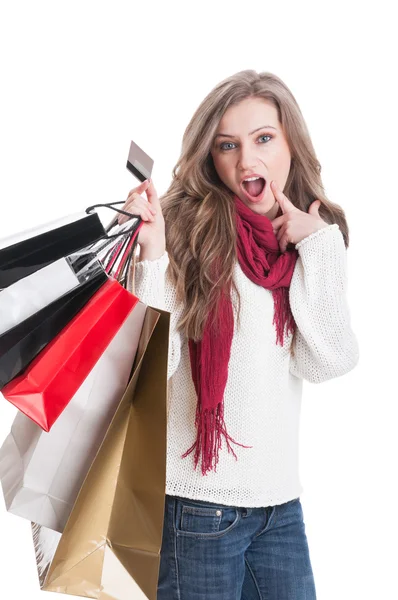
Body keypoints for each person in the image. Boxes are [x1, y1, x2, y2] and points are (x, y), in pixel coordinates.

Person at [119, 69, 359, 600]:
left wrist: (318, 245)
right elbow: (152, 369)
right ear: (211, 155)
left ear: (291, 140)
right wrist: (153, 257)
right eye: (228, 145)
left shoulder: (309, 241)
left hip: (280, 508)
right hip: (197, 508)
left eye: (263, 139)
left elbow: (328, 361)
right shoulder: (189, 230)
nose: (247, 161)